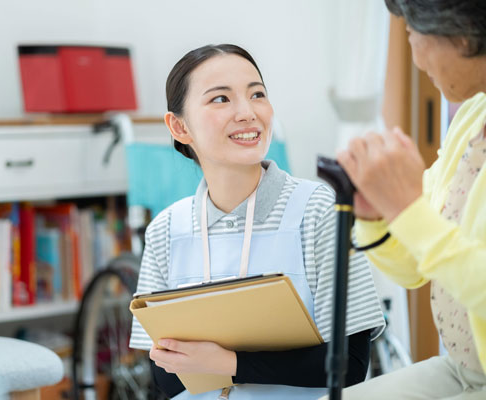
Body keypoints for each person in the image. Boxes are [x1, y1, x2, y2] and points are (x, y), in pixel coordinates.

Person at [129, 44, 386, 399]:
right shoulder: (165, 230)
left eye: (257, 94)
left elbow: (351, 364)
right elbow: (166, 377)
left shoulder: (318, 209)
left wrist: (228, 362)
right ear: (179, 126)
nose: (247, 112)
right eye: (220, 99)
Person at [330, 1, 486, 399]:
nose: (414, 54)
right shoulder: (473, 117)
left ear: (461, 35)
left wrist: (406, 209)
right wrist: (377, 218)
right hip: (464, 366)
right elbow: (416, 269)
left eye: (412, 33)